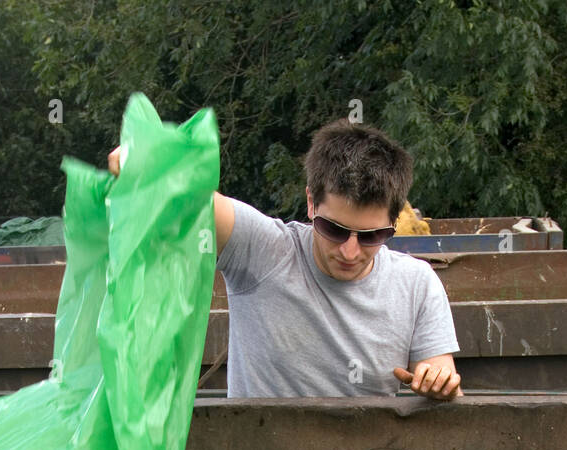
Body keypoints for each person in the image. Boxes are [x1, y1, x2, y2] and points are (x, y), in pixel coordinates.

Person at [108, 118, 461, 400]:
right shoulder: (264, 249)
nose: (350, 251)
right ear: (311, 202)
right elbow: (190, 199)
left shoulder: (417, 284)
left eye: (372, 236)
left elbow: (443, 382)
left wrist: (440, 385)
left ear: (394, 220)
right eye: (334, 230)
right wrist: (150, 167)